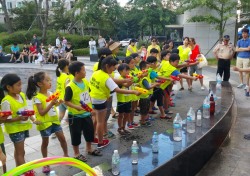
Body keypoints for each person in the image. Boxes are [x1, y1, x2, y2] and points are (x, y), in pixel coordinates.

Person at [89, 56, 140, 148]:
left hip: (93, 99)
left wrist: (125, 80)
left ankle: (93, 138)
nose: (114, 70)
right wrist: (133, 91)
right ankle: (100, 142)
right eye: (113, 67)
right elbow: (118, 89)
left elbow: (109, 82)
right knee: (100, 122)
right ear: (107, 66)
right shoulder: (106, 77)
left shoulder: (96, 73)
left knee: (96, 120)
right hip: (101, 101)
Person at [26, 72, 69, 173]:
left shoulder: (50, 94)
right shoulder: (37, 97)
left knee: (62, 139)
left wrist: (58, 103)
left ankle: (66, 155)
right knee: (45, 143)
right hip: (45, 124)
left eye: (50, 80)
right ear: (40, 84)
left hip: (54, 121)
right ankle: (45, 163)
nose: (50, 82)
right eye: (47, 80)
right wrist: (52, 103)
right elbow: (41, 112)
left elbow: (53, 107)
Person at [64, 61, 102, 162]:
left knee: (89, 131)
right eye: (84, 70)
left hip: (87, 113)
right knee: (75, 134)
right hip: (75, 116)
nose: (85, 72)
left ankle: (89, 148)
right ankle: (76, 153)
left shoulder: (85, 82)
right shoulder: (70, 87)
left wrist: (92, 108)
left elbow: (88, 95)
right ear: (77, 73)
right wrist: (76, 107)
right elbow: (66, 101)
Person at [0, 74, 34, 175]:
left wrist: (31, 117)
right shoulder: (6, 101)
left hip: (23, 127)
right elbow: (5, 120)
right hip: (15, 130)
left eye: (21, 85)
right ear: (9, 87)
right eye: (18, 85)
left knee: (20, 151)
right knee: (20, 152)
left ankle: (19, 170)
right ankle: (26, 172)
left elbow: (25, 108)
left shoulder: (21, 95)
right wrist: (18, 118)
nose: (21, 87)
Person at [138, 61, 161, 126]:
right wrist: (156, 84)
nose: (149, 70)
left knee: (145, 109)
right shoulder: (144, 79)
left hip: (146, 96)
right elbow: (148, 87)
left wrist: (154, 83)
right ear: (143, 70)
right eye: (147, 68)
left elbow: (149, 84)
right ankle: (143, 121)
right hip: (144, 97)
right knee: (144, 110)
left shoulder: (146, 77)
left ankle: (144, 119)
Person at [116, 64, 133, 135]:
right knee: (120, 115)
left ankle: (124, 127)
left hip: (128, 99)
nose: (128, 72)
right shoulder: (119, 79)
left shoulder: (128, 77)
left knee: (127, 114)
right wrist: (132, 80)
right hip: (121, 100)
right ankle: (120, 128)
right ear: (120, 71)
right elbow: (126, 85)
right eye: (126, 70)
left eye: (128, 70)